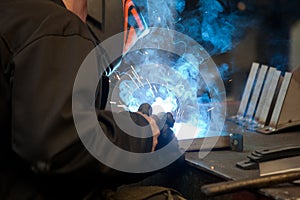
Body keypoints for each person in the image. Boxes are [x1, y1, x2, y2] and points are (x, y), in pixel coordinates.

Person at [0, 0, 183, 199]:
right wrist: (144, 133)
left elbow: (36, 124)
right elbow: (62, 145)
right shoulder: (54, 24)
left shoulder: (13, 14)